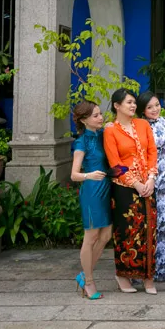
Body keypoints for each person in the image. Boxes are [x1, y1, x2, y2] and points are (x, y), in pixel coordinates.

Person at [103, 88, 158, 294]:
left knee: (149, 231)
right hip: (125, 189)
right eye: (128, 102)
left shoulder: (143, 125)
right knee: (127, 233)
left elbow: (152, 151)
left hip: (148, 185)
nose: (133, 106)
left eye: (134, 102)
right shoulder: (111, 130)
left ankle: (148, 278)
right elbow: (115, 164)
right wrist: (135, 183)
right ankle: (123, 275)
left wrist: (151, 178)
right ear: (117, 106)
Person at [71, 101, 112, 300]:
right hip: (91, 190)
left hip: (106, 189)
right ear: (84, 119)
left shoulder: (103, 135)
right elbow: (73, 175)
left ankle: (83, 275)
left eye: (100, 114)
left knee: (106, 235)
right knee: (92, 236)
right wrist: (89, 175)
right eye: (95, 115)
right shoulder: (82, 142)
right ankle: (88, 281)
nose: (100, 117)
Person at [137, 91, 165, 283]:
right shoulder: (137, 126)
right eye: (149, 107)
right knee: (145, 224)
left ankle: (163, 268)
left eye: (157, 105)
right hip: (146, 178)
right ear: (142, 110)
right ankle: (143, 269)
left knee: (164, 224)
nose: (154, 109)